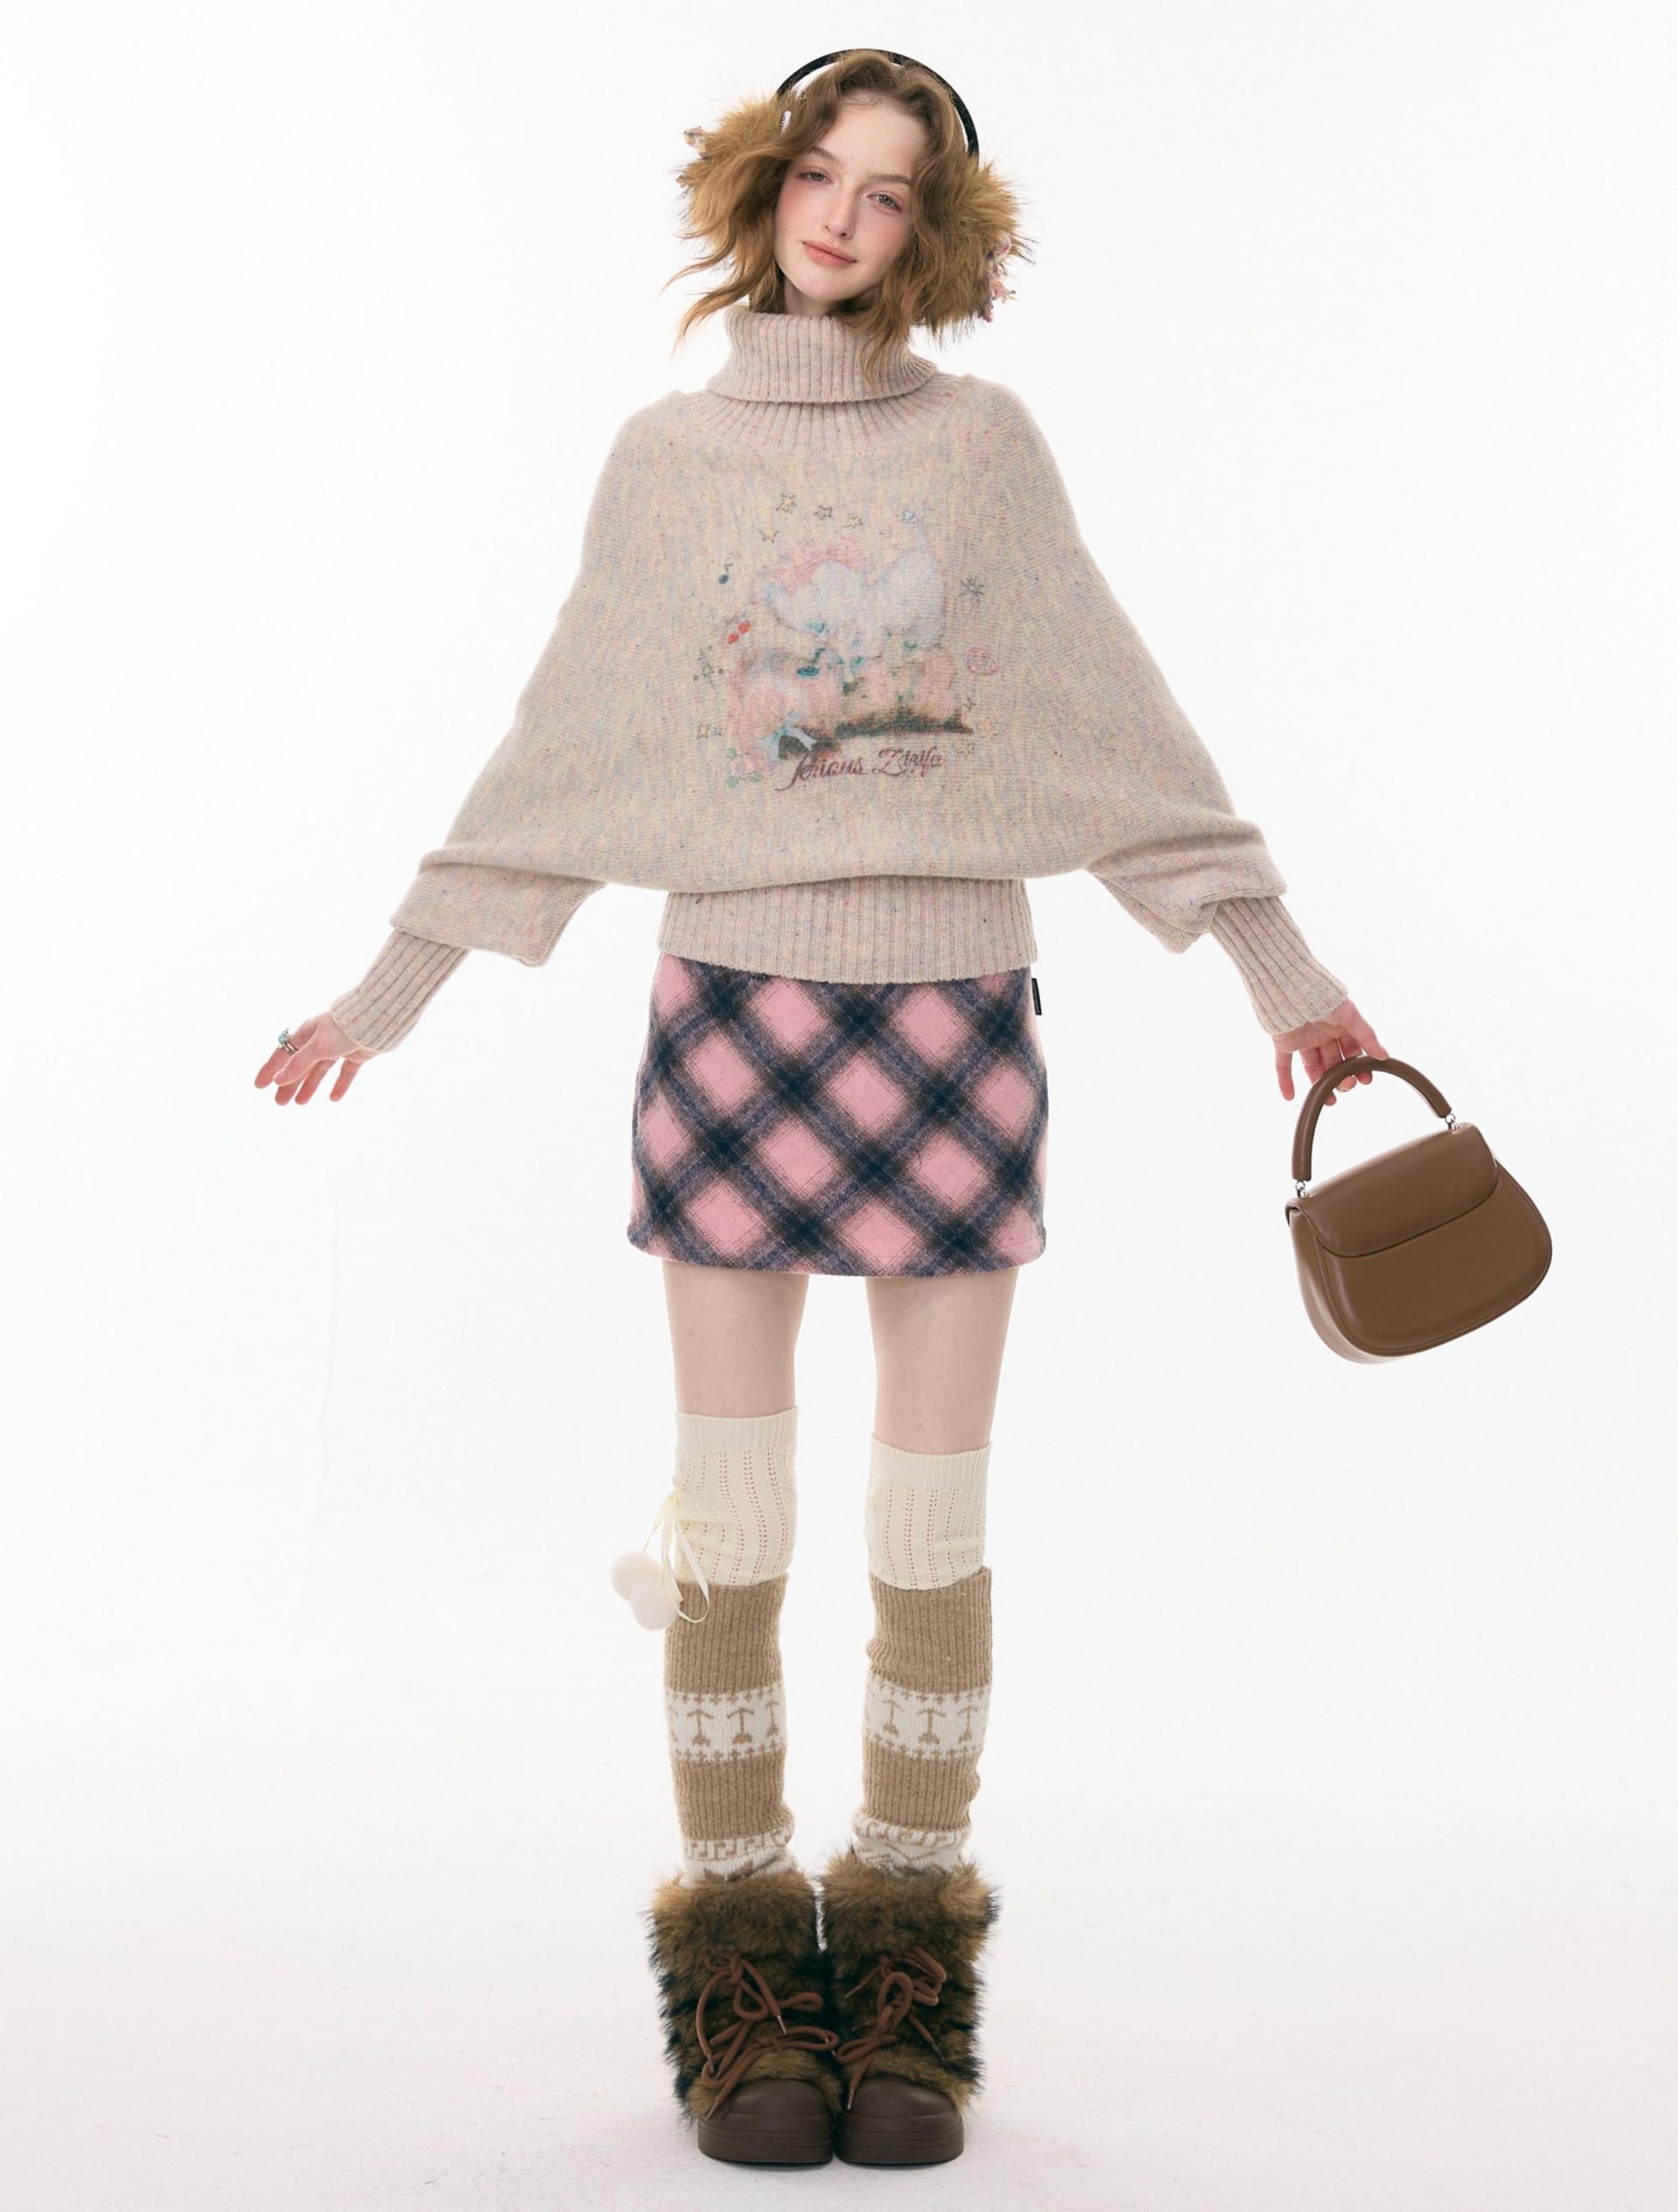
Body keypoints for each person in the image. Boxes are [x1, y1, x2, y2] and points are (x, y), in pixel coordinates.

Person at [253, 49, 1387, 2171]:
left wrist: (1288, 984)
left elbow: (1116, 724)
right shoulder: (669, 461)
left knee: (928, 1522)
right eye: (820, 177)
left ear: (935, 234)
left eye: (889, 194)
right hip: (734, 1015)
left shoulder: (985, 449)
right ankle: (744, 1967)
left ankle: (909, 1966)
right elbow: (568, 743)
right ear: (762, 186)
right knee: (732, 1512)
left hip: (952, 1015)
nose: (844, 221)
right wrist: (389, 995)